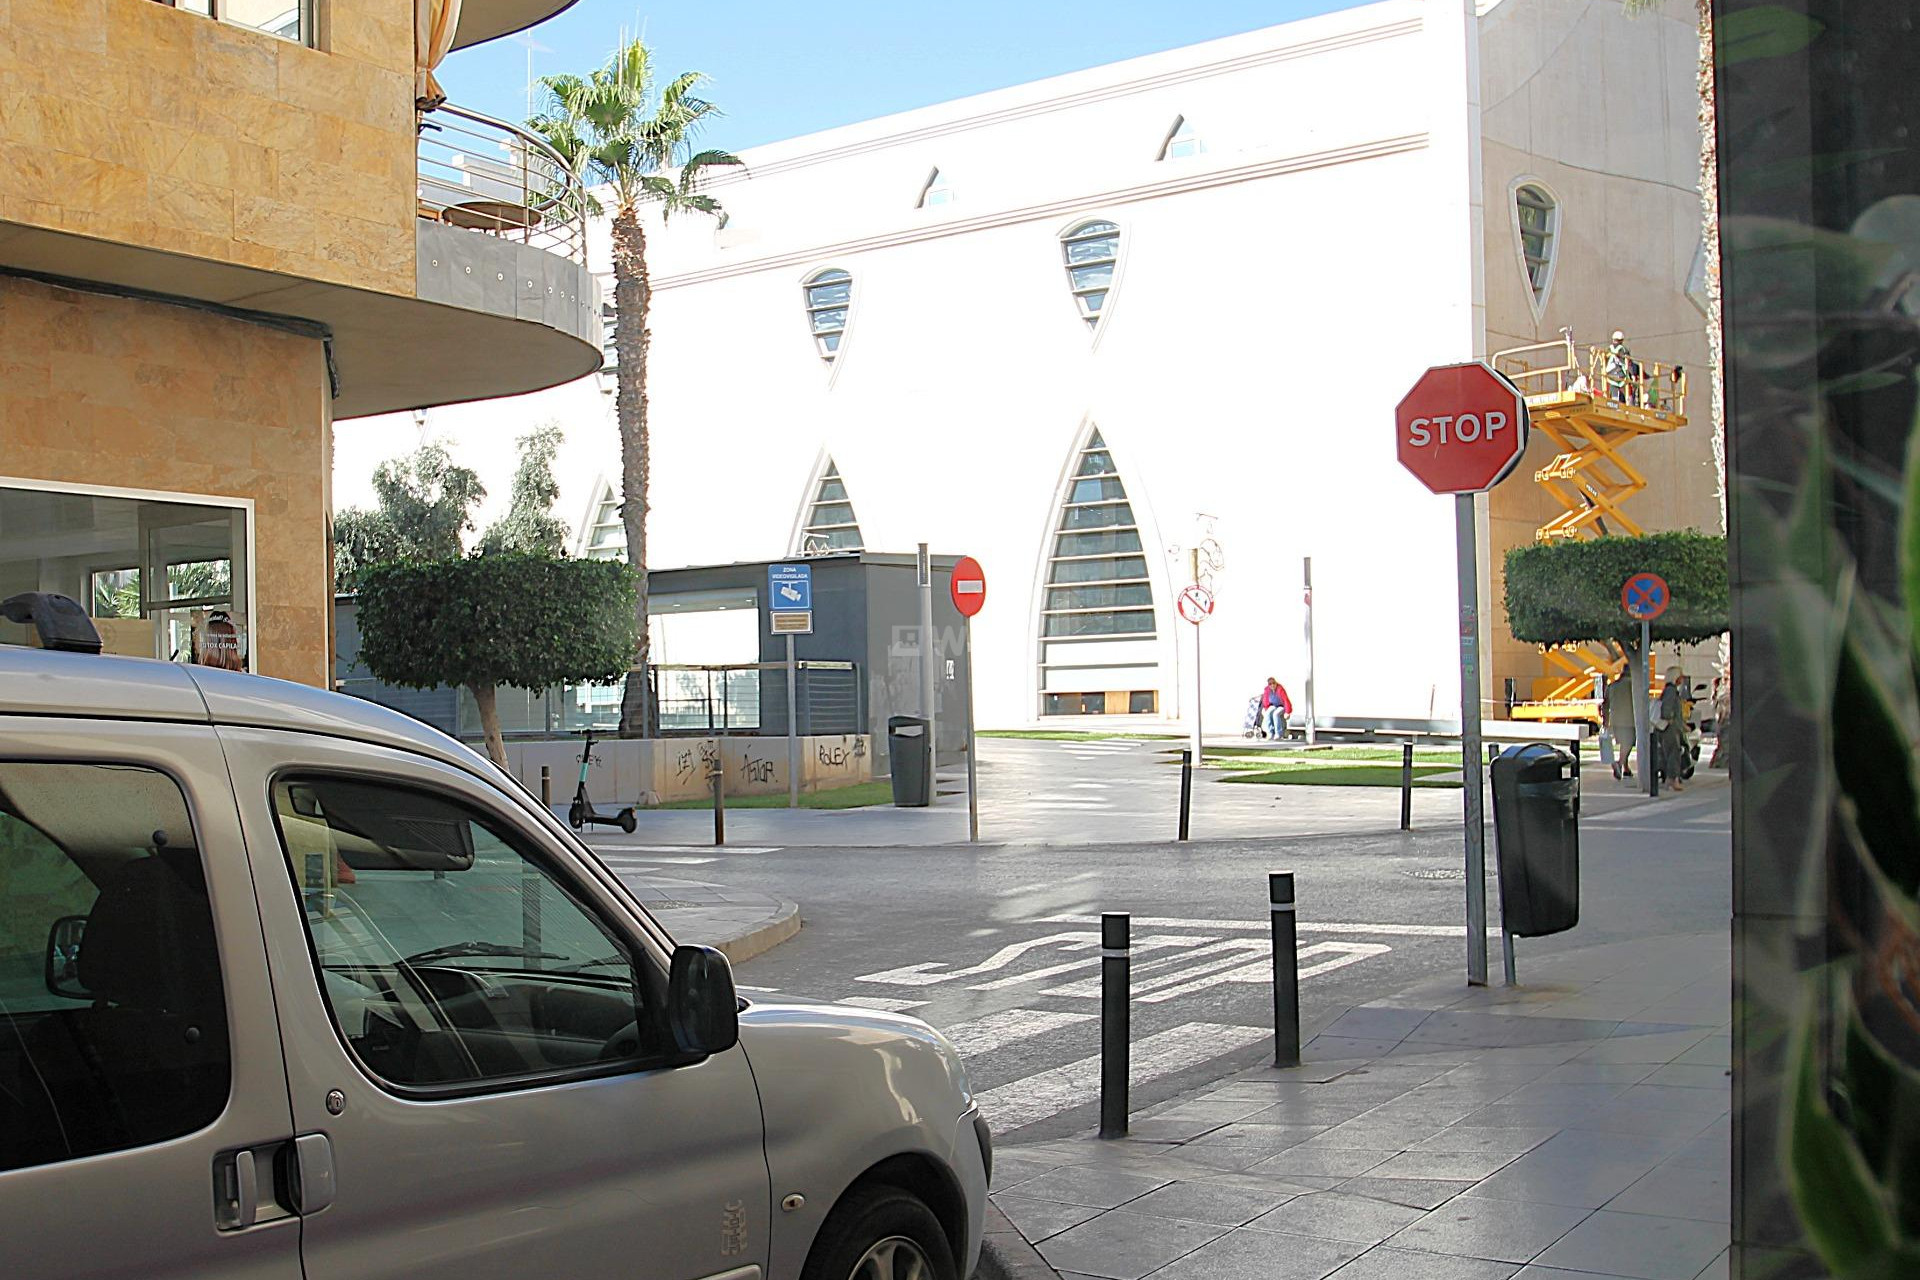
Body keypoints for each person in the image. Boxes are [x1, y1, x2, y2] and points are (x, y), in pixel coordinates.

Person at [1656, 665, 1691, 792]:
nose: (1682, 679)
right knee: (1673, 753)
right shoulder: (1670, 691)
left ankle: (1671, 779)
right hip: (1670, 728)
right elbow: (1667, 709)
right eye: (1680, 676)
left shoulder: (1670, 690)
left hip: (1672, 727)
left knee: (1672, 752)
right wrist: (1671, 720)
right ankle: (1672, 779)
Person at [1604, 668, 1637, 779]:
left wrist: (1605, 721)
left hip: (1615, 720)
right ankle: (1619, 763)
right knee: (1628, 744)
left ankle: (1626, 768)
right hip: (1630, 719)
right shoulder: (1634, 685)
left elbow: (1605, 704)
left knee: (1624, 744)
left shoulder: (1612, 686)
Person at [1604, 330, 1634, 404]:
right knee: (1627, 391)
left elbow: (1604, 359)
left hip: (1611, 375)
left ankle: (1614, 405)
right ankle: (1629, 405)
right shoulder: (1624, 349)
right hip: (1621, 375)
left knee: (1614, 393)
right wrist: (1632, 374)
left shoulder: (1608, 349)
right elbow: (1629, 362)